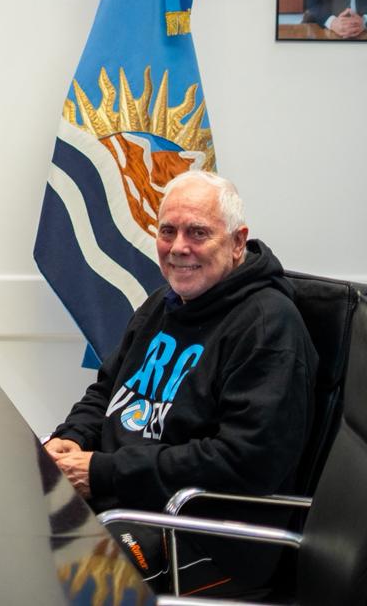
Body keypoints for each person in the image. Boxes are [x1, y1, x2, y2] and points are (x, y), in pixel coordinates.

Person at [44, 171, 317, 594]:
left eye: (198, 233)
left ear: (238, 242)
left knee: (66, 579)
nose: (178, 248)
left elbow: (242, 463)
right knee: (8, 529)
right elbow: (107, 392)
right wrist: (72, 438)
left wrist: (102, 472)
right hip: (128, 502)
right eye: (167, 231)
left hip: (209, 535)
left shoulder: (268, 327)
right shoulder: (164, 302)